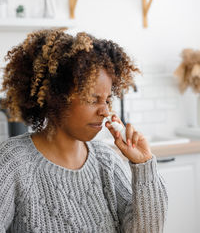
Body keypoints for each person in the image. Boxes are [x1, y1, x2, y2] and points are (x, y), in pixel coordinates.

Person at [0, 29, 168, 233]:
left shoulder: (106, 161)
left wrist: (143, 166)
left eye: (107, 100)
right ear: (56, 98)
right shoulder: (11, 163)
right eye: (92, 99)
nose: (105, 111)